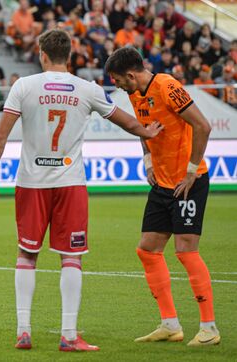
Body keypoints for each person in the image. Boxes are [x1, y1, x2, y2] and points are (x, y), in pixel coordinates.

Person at [0, 30, 162, 352]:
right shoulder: (87, 89)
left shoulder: (24, 86)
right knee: (71, 257)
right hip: (70, 182)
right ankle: (69, 334)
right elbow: (127, 123)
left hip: (31, 183)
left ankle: (23, 331)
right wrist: (148, 130)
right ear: (70, 55)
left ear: (42, 54)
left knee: (26, 254)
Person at [105, 46, 219, 346]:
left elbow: (203, 126)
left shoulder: (168, 86)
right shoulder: (135, 93)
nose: (116, 85)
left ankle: (209, 328)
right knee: (147, 250)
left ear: (130, 74)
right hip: (162, 184)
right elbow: (145, 129)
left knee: (185, 251)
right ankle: (170, 324)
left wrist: (192, 171)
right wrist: (147, 161)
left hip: (187, 183)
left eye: (117, 79)